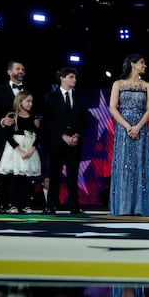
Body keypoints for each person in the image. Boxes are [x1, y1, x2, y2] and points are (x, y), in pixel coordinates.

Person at [107, 54, 149, 217]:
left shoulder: (147, 85)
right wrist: (129, 126)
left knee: (140, 164)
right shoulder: (118, 84)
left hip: (141, 128)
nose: (145, 66)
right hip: (124, 129)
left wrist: (138, 127)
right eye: (142, 63)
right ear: (133, 64)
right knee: (124, 165)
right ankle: (123, 206)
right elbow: (113, 108)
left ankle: (139, 207)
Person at [42, 66, 88, 215]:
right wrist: (63, 135)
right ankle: (51, 205)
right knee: (55, 173)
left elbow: (84, 120)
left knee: (73, 174)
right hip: (57, 141)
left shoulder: (80, 97)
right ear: (62, 78)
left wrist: (77, 135)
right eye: (71, 77)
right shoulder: (51, 97)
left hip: (74, 142)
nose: (74, 80)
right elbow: (49, 120)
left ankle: (74, 205)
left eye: (75, 77)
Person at [0, 61, 35, 213]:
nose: (21, 71)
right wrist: (2, 120)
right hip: (5, 136)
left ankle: (23, 204)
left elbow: (35, 111)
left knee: (24, 172)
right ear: (9, 72)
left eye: (23, 69)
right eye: (18, 69)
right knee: (6, 171)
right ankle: (3, 203)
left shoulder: (30, 91)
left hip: (25, 139)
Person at [0, 90, 41, 214]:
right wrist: (20, 152)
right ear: (20, 102)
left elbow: (39, 135)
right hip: (15, 151)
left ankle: (25, 204)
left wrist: (32, 150)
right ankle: (12, 205)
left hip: (29, 150)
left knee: (27, 179)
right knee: (14, 178)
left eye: (31, 101)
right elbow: (8, 136)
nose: (30, 104)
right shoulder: (12, 116)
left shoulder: (34, 118)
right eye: (28, 101)